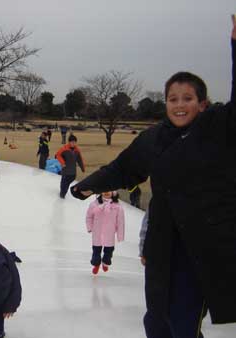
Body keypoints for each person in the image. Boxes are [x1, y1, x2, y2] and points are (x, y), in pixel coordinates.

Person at [71, 17, 236, 338]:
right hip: (163, 241)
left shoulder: (218, 127)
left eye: (188, 98)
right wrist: (88, 185)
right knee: (157, 318)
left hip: (203, 242)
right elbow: (123, 168)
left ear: (202, 104)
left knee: (183, 317)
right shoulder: (154, 138)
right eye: (173, 99)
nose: (179, 105)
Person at [86, 191, 125, 274]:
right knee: (96, 252)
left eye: (109, 190)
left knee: (108, 252)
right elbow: (89, 216)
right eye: (104, 190)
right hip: (97, 233)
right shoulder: (94, 204)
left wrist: (120, 235)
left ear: (113, 193)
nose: (106, 192)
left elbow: (120, 222)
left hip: (109, 234)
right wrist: (90, 227)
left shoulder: (117, 207)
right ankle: (96, 264)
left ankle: (105, 263)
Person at [55, 134, 85, 198]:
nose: (73, 143)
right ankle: (62, 196)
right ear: (69, 142)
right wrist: (62, 163)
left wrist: (82, 168)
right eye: (72, 142)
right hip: (65, 170)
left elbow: (80, 159)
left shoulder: (77, 150)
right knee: (64, 183)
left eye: (75, 142)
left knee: (68, 181)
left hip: (73, 171)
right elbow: (57, 155)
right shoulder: (64, 149)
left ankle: (63, 191)